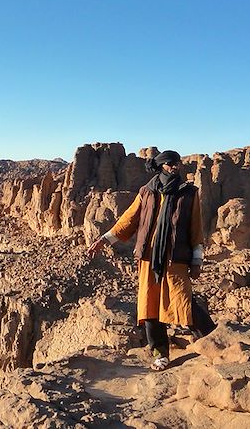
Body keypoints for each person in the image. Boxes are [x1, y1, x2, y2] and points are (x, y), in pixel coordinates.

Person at [88, 150, 214, 371]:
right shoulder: (147, 192)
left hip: (176, 258)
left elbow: (196, 228)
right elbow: (129, 219)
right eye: (171, 164)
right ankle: (160, 353)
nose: (176, 167)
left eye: (177, 163)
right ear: (161, 166)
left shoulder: (188, 193)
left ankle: (213, 339)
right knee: (150, 306)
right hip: (148, 258)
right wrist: (105, 240)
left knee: (183, 300)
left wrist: (197, 260)